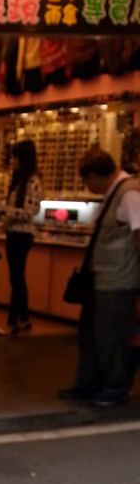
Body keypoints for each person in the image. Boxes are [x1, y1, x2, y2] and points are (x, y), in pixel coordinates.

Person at [60, 149, 140, 407]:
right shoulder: (115, 194)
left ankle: (115, 385)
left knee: (111, 334)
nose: (87, 186)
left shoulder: (129, 194)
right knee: (92, 332)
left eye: (86, 180)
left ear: (95, 176)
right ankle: (90, 380)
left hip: (118, 280)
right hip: (102, 278)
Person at [0, 139, 43, 336]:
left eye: (15, 157)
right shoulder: (18, 182)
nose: (12, 161)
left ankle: (14, 321)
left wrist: (6, 210)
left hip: (21, 235)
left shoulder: (32, 182)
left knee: (17, 278)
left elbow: (31, 210)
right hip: (13, 234)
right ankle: (23, 319)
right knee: (16, 278)